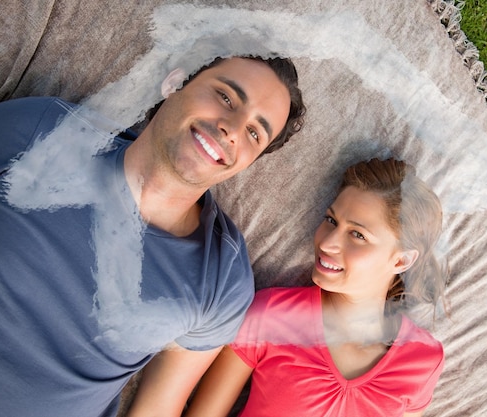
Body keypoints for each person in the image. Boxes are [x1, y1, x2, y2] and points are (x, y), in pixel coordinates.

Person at [0, 56, 305, 417]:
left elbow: (158, 406)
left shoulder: (222, 279)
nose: (233, 129)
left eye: (255, 133)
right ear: (175, 83)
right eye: (225, 98)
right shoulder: (47, 130)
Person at [185, 157, 447, 417]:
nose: (327, 243)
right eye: (331, 221)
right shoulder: (272, 316)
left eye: (358, 235)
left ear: (401, 260)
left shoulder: (423, 361)